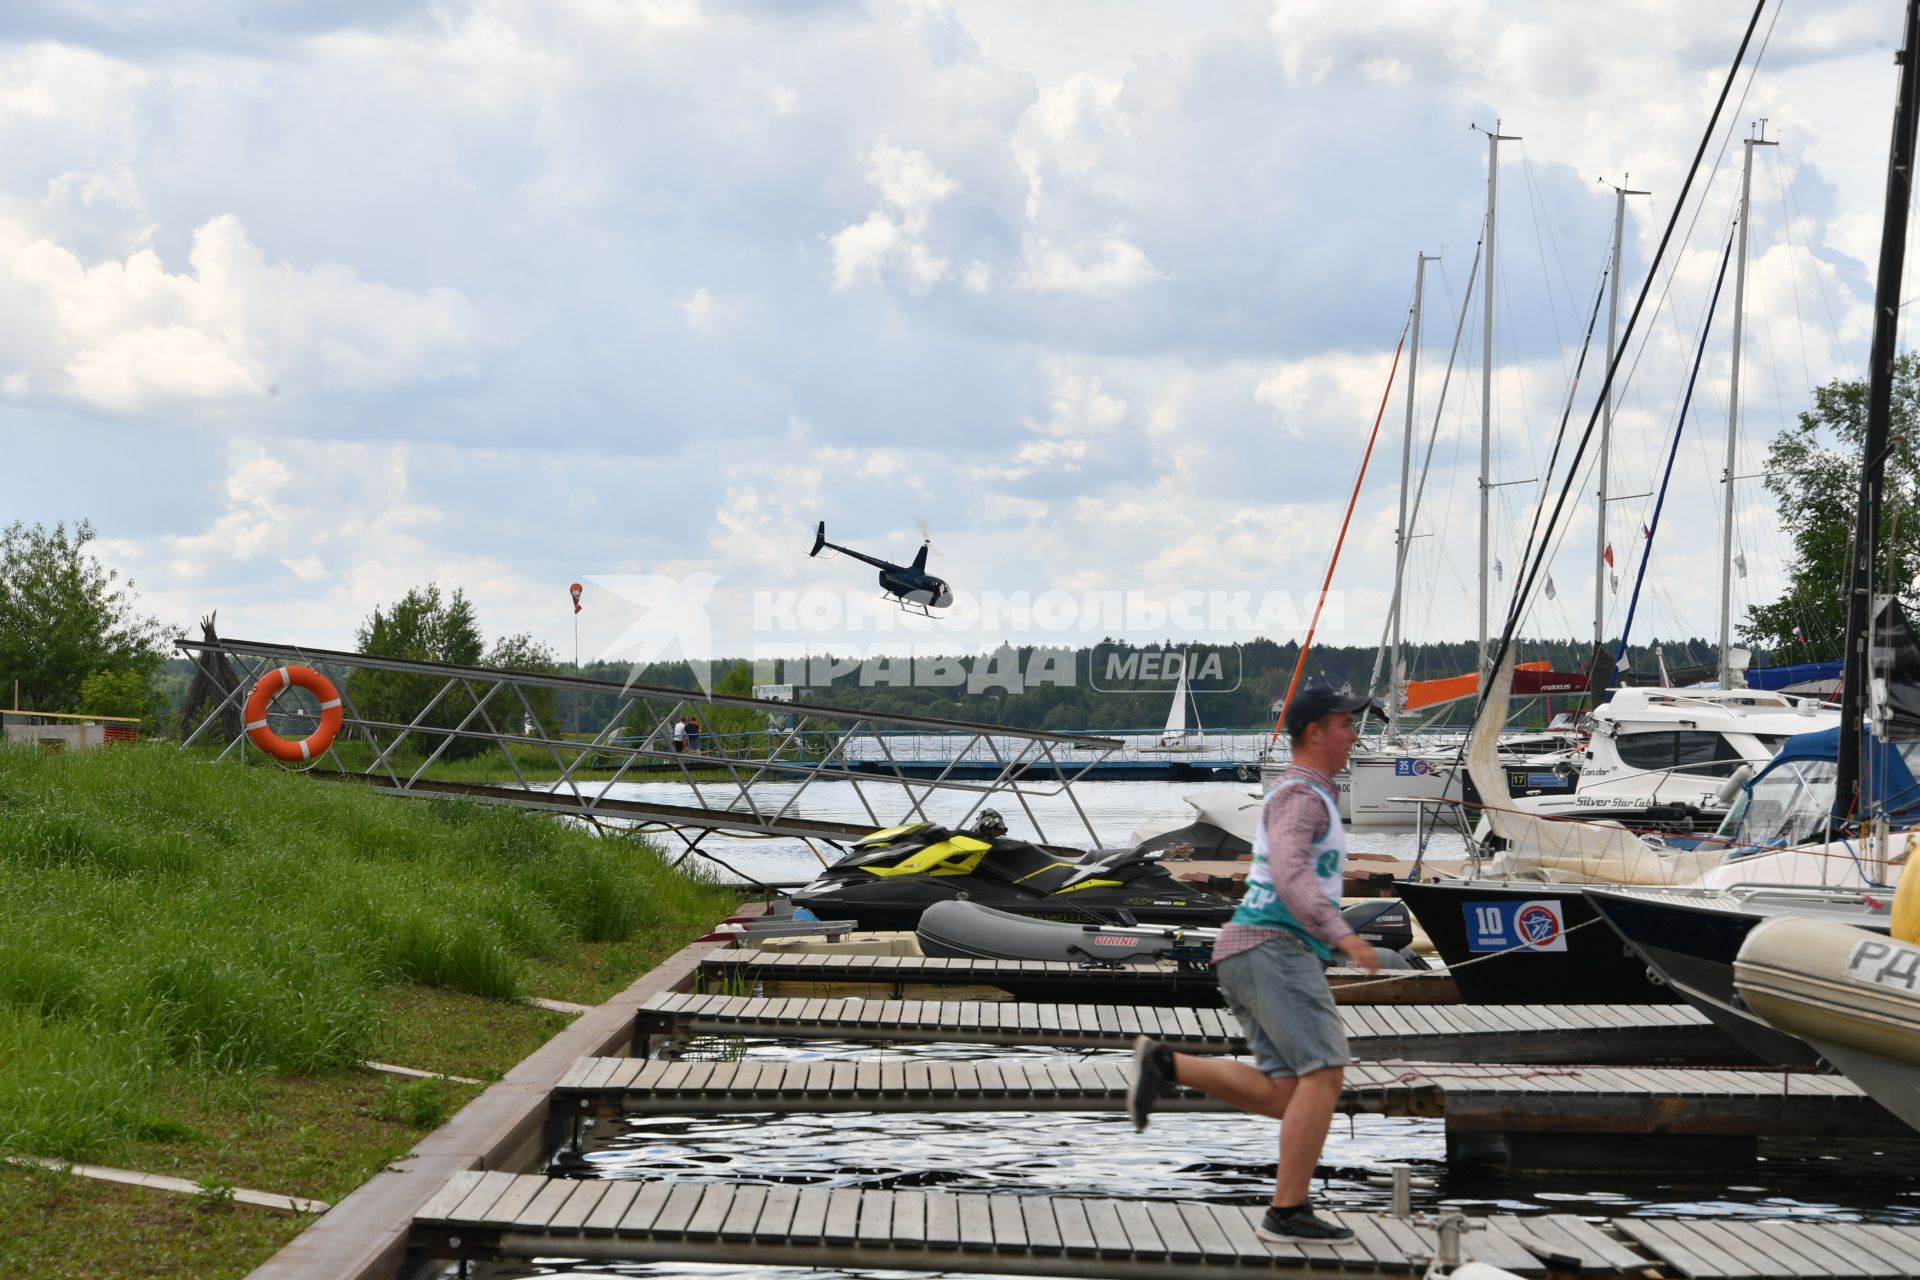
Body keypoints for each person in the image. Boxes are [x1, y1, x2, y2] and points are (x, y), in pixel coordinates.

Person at [1126, 685, 1379, 1243]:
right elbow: (1289, 874)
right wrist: (1343, 933)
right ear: (1314, 731)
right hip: (1273, 947)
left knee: (1288, 1093)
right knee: (1326, 1072)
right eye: (1344, 723)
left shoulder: (1308, 793)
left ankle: (1169, 1065)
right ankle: (1287, 1212)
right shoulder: (1302, 796)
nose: (1353, 734)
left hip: (1252, 948)